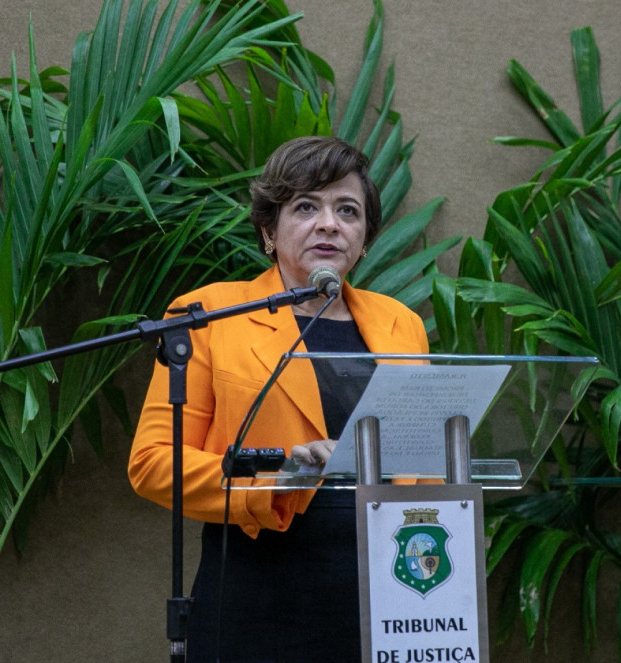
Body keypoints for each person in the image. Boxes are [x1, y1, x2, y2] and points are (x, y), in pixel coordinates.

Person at [128, 136, 429, 662]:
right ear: (269, 231)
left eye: (348, 211)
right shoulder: (208, 315)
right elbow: (154, 465)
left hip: (386, 599)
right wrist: (276, 478)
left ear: (364, 241)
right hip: (254, 598)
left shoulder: (401, 325)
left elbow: (422, 468)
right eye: (306, 206)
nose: (330, 223)